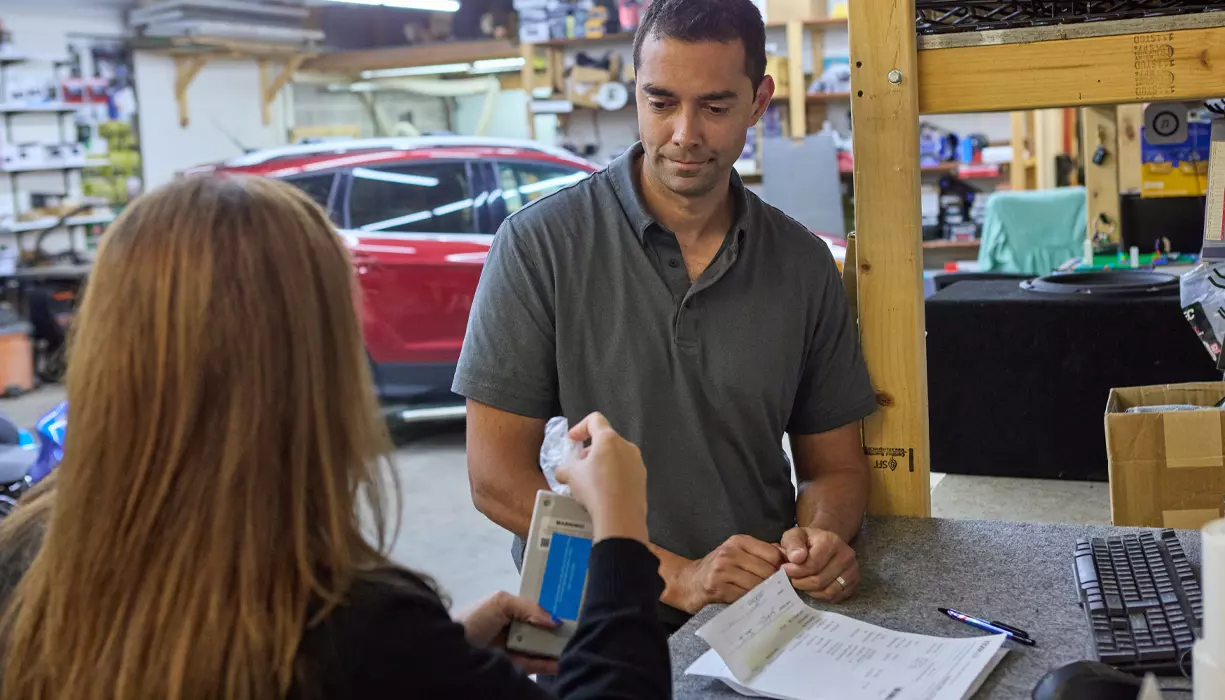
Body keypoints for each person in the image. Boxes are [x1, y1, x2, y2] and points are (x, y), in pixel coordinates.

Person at [0, 176, 670, 700]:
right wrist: (617, 533)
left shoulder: (27, 555)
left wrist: (441, 660)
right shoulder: (352, 623)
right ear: (311, 363)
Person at [456, 0, 877, 632]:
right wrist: (673, 574)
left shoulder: (803, 262)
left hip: (752, 611)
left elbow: (836, 468)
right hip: (585, 616)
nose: (685, 133)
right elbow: (495, 480)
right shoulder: (539, 245)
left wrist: (814, 543)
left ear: (759, 101)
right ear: (636, 94)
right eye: (660, 102)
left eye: (714, 106)